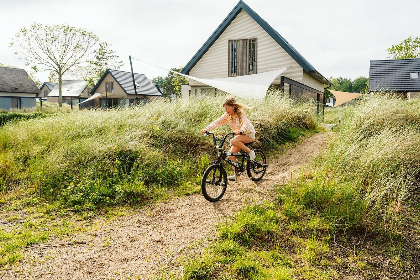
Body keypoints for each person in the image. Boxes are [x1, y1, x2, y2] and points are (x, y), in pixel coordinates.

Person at [201, 96, 256, 181]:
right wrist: (207, 129)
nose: (226, 110)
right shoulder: (227, 116)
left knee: (233, 141)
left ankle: (250, 152)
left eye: (227, 108)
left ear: (233, 107)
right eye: (225, 108)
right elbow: (217, 122)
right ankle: (237, 176)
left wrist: (242, 130)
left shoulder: (240, 114)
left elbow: (246, 123)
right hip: (239, 136)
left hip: (248, 134)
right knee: (231, 155)